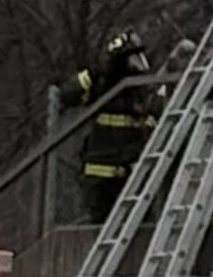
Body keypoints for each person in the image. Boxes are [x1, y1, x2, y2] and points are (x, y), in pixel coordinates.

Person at [66, 29, 162, 223]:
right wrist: (96, 75)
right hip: (102, 174)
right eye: (134, 58)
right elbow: (68, 94)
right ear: (121, 60)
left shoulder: (139, 91)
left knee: (143, 223)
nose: (140, 64)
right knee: (102, 224)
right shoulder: (104, 84)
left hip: (130, 172)